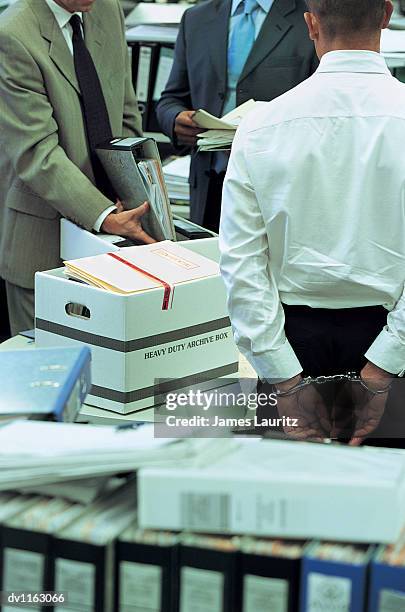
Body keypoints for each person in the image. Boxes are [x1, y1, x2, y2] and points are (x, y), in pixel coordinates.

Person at [219, 0, 405, 445]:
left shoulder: (260, 125)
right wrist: (382, 368)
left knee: (291, 502)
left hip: (290, 340)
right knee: (391, 503)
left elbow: (241, 264)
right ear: (386, 14)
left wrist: (284, 381)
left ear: (310, 24)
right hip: (394, 342)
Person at [0, 0, 154, 336]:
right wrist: (103, 215)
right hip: (44, 243)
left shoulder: (106, 10)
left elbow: (126, 113)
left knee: (112, 371)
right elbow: (37, 153)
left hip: (117, 232)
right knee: (50, 372)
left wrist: (137, 189)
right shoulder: (13, 34)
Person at [157, 0, 318, 233]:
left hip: (275, 187)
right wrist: (175, 120)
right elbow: (170, 100)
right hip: (209, 182)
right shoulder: (196, 18)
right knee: (208, 265)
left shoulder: (310, 17)